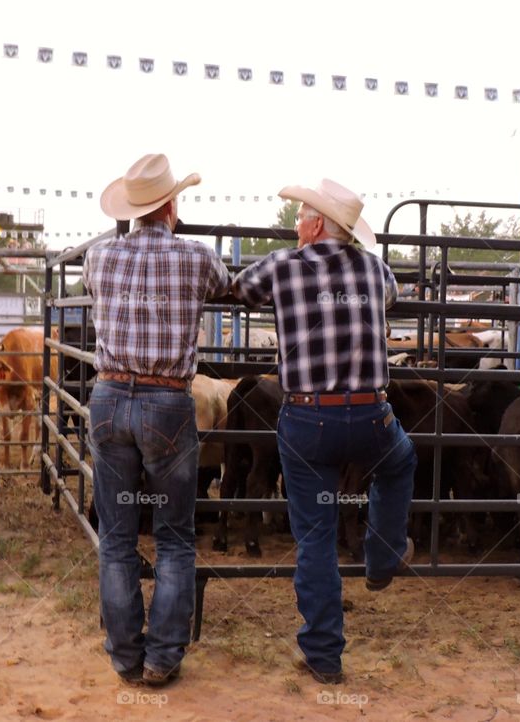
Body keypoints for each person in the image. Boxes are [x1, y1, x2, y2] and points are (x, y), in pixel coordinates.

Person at [232, 179, 417, 685]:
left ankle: (324, 655)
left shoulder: (281, 266)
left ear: (314, 225)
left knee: (314, 535)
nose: (295, 225)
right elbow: (394, 297)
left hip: (308, 419)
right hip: (371, 415)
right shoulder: (375, 269)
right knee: (400, 463)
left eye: (299, 217)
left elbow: (240, 290)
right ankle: (382, 557)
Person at [82, 153, 231, 687]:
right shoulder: (197, 257)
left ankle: (125, 654)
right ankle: (163, 656)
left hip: (108, 397)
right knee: (174, 536)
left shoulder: (99, 257)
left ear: (133, 208)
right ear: (171, 204)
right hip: (168, 400)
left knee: (118, 537)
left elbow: (95, 293)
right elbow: (226, 284)